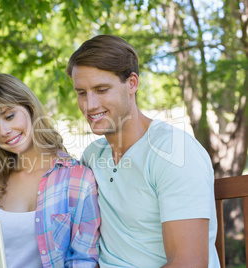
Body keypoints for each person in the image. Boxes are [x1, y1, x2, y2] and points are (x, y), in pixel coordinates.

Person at [66, 35, 219, 267]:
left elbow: (189, 262)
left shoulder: (175, 153)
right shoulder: (93, 156)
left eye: (101, 89)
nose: (90, 104)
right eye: (81, 92)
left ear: (132, 83)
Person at [0, 73, 100, 268]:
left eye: (9, 116)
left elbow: (84, 258)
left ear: (30, 109)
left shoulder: (78, 179)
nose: (4, 131)